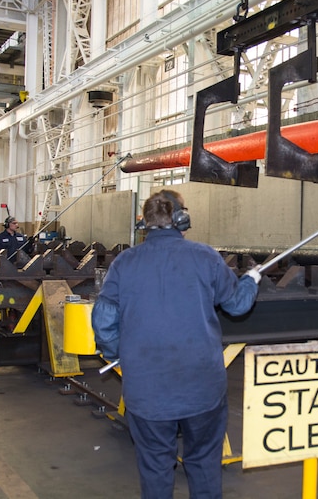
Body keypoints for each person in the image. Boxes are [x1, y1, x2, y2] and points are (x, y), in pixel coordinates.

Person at [92, 189, 261, 499]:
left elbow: (103, 321)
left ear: (144, 223)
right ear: (182, 220)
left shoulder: (124, 264)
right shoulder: (206, 257)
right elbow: (237, 306)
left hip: (147, 392)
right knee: (203, 464)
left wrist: (120, 355)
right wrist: (250, 280)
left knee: (156, 468)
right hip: (202, 390)